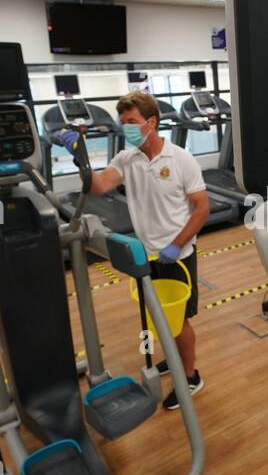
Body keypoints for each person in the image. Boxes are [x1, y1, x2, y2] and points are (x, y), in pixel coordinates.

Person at [53, 91, 211, 410]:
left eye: (132, 122)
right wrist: (78, 154)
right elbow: (96, 186)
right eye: (122, 122)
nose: (126, 128)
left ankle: (191, 376)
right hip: (148, 256)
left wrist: (176, 245)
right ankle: (173, 357)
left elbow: (202, 209)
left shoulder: (181, 159)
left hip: (177, 255)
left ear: (151, 123)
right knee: (161, 318)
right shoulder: (126, 159)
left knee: (180, 323)